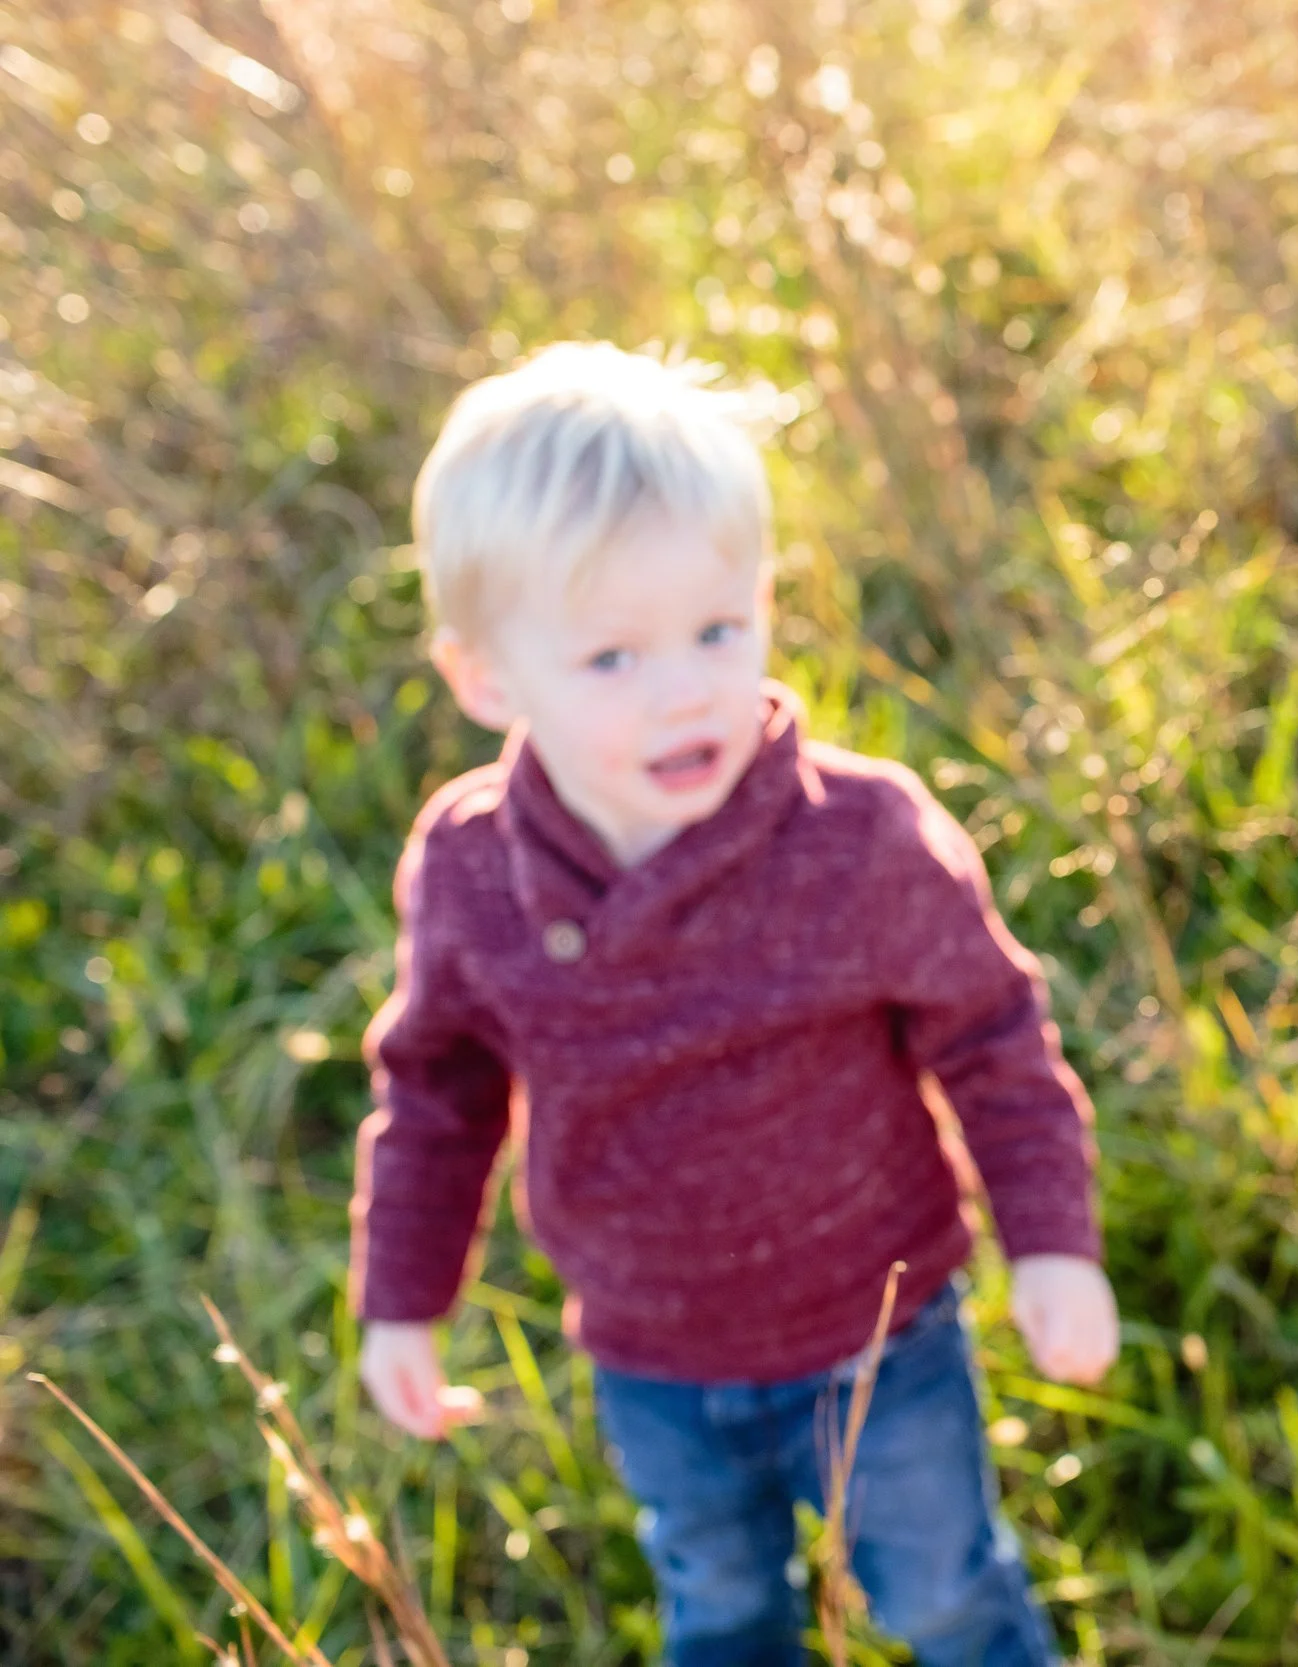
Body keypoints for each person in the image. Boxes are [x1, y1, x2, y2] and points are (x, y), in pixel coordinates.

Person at [348, 341, 1117, 1667]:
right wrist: (403, 1296)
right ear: (486, 679)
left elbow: (993, 1034)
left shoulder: (859, 839)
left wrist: (1050, 1239)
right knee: (721, 1608)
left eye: (719, 628)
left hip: (884, 1336)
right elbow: (437, 1089)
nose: (687, 686)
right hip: (652, 1353)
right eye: (611, 657)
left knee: (944, 1591)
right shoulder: (475, 871)